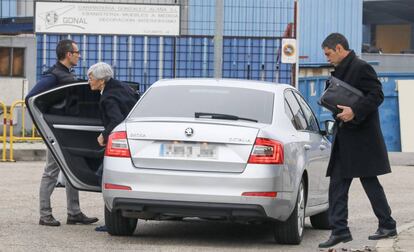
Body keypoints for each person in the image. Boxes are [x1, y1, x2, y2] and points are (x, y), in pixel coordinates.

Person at [318, 33, 397, 248]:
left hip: (362, 139)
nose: (327, 58)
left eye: (328, 54)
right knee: (337, 186)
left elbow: (377, 95)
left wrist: (354, 111)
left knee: (370, 183)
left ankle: (387, 224)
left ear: (340, 48)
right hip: (346, 138)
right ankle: (340, 230)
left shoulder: (361, 68)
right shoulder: (340, 70)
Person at [26, 39, 99, 227]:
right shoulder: (53, 76)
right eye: (77, 52)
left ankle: (74, 213)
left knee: (69, 171)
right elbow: (31, 98)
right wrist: (46, 124)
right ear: (68, 54)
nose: (79, 55)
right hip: (56, 134)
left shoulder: (66, 74)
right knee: (51, 172)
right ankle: (45, 215)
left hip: (66, 132)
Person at [87, 62, 139, 231]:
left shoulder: (108, 97)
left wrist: (104, 134)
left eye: (91, 78)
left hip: (121, 142)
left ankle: (113, 219)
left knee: (104, 176)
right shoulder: (123, 87)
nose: (89, 81)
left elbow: (116, 120)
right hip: (134, 138)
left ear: (101, 81)